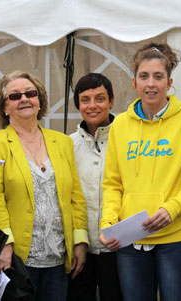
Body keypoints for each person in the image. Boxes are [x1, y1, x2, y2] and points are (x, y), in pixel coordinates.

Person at [99, 42, 181, 301]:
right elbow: (112, 184)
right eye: (144, 76)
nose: (151, 84)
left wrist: (171, 210)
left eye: (158, 77)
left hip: (178, 239)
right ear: (133, 82)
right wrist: (108, 224)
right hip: (131, 242)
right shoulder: (120, 126)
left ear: (169, 82)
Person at [0, 71, 89, 301]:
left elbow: (76, 196)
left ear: (40, 101)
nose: (24, 99)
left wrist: (79, 241)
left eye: (30, 93)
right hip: (18, 259)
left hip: (59, 257)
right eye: (14, 96)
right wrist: (4, 245)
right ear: (4, 107)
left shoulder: (62, 142)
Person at [68, 73, 122, 300]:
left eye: (99, 99)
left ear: (111, 101)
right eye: (85, 100)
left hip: (119, 247)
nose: (92, 106)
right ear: (78, 105)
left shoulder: (126, 139)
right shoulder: (68, 144)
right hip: (80, 249)